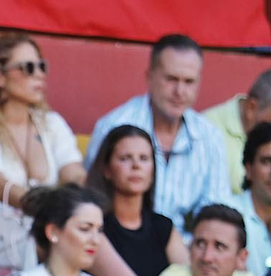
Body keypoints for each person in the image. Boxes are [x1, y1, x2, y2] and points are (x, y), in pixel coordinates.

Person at [0, 33, 84, 272]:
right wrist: (50, 209)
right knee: (51, 238)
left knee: (89, 231)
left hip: (42, 222)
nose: (39, 74)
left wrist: (75, 205)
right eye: (28, 68)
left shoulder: (51, 123)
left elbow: (75, 174)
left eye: (42, 66)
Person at [85, 35, 230, 233]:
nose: (179, 91)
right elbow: (92, 201)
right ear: (149, 77)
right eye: (171, 79)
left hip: (187, 252)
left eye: (189, 82)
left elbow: (216, 214)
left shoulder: (210, 137)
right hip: (117, 243)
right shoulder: (113, 126)